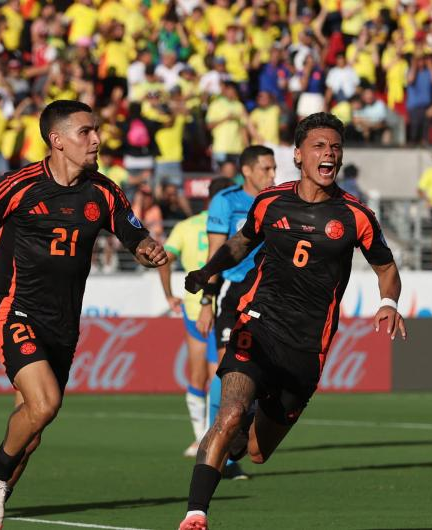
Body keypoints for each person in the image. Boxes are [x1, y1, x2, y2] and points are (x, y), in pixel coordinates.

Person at [0, 100, 167, 530]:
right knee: (45, 404)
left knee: (32, 430)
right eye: (85, 132)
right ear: (57, 140)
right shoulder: (19, 186)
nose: (96, 139)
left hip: (63, 323)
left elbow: (134, 235)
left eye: (96, 130)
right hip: (12, 309)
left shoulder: (104, 191)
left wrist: (146, 249)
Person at [178, 113, 407, 530]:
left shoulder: (356, 215)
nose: (329, 153)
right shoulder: (270, 201)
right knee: (229, 413)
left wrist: (388, 301)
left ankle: (241, 429)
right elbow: (241, 242)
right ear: (299, 155)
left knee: (256, 451)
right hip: (257, 323)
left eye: (335, 147)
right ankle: (196, 513)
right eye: (319, 146)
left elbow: (386, 268)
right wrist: (207, 272)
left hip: (306, 347)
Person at [199, 145, 277, 480]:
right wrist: (207, 300)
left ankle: (232, 443)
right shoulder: (227, 201)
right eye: (266, 169)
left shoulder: (278, 201)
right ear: (247, 170)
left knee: (260, 382)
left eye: (274, 169)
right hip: (232, 295)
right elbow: (216, 252)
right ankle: (218, 457)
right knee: (227, 373)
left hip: (268, 297)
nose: (272, 175)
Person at [160, 177, 234, 457]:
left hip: (194, 309)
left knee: (198, 375)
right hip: (224, 306)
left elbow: (164, 259)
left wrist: (169, 294)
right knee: (220, 376)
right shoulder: (236, 223)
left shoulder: (186, 226)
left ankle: (200, 437)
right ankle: (213, 438)